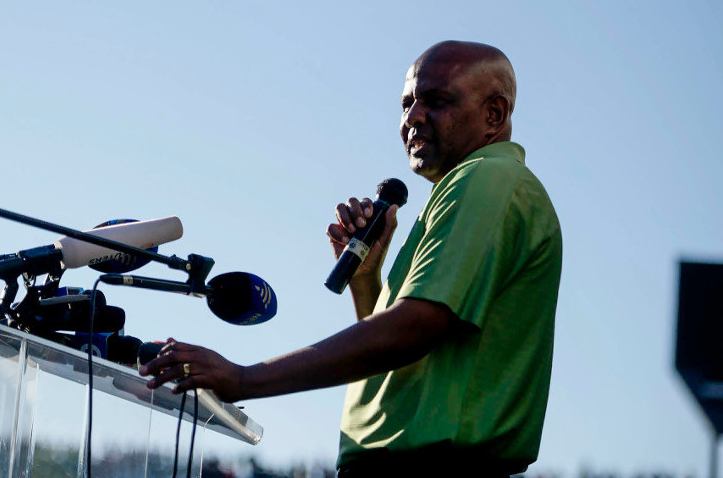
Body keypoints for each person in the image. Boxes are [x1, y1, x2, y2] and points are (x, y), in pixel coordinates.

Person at [140, 41, 562, 477]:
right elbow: (402, 356)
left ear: (494, 114)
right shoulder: (471, 187)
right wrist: (366, 281)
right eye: (406, 104)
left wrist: (244, 379)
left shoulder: (487, 177)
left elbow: (413, 328)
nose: (412, 118)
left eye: (436, 102)